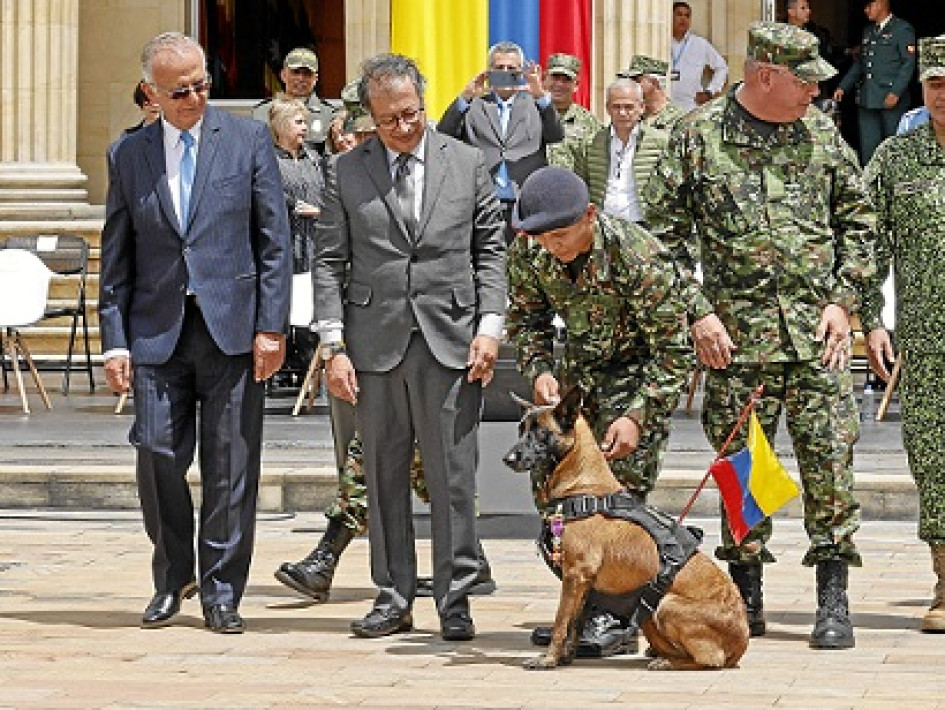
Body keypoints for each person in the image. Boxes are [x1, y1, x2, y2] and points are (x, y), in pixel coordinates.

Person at [644, 21, 876, 651]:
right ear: (766, 75)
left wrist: (842, 300)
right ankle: (746, 594)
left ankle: (834, 598)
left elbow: (860, 223)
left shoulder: (823, 133)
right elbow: (659, 240)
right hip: (736, 343)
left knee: (831, 466)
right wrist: (697, 311)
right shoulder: (697, 137)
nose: (815, 92)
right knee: (744, 471)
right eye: (805, 80)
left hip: (815, 340)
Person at [274, 83, 497, 603]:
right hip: (375, 342)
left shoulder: (464, 161)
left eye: (411, 114)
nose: (403, 127)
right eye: (388, 120)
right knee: (381, 473)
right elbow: (329, 261)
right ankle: (393, 594)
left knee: (452, 476)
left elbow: (489, 249)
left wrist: (489, 326)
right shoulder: (346, 171)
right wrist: (332, 343)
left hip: (450, 339)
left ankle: (457, 593)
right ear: (369, 120)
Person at [99, 32, 291, 634]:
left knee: (232, 465)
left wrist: (272, 326)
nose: (193, 97)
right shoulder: (127, 155)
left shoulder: (246, 138)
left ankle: (223, 590)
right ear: (151, 92)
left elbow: (274, 241)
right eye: (179, 90)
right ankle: (173, 574)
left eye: (202, 84)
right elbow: (116, 254)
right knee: (155, 453)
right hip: (157, 331)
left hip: (232, 329)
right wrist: (114, 339)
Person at [506, 166, 692, 658]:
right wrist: (541, 369)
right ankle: (580, 610)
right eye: (542, 237)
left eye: (561, 235)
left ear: (589, 216)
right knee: (558, 503)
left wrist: (638, 415)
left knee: (617, 501)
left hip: (637, 376)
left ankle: (619, 616)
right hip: (575, 380)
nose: (552, 246)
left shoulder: (636, 254)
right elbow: (525, 320)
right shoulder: (530, 249)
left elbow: (674, 349)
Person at [862, 35, 945, 634]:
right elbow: (866, 246)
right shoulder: (897, 159)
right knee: (934, 461)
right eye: (935, 83)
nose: (942, 94)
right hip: (927, 342)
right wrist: (871, 319)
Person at [438, 41, 564, 239]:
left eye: (511, 68)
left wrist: (540, 96)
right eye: (499, 68)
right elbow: (444, 134)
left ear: (521, 72)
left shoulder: (536, 105)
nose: (505, 72)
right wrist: (465, 97)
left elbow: (556, 135)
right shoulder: (475, 105)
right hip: (484, 201)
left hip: (523, 203)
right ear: (489, 72)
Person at [268, 95, 324, 378]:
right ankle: (285, 358)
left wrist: (319, 210)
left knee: (309, 300)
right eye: (298, 121)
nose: (304, 127)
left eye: (305, 121)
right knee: (286, 299)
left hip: (313, 240)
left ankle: (307, 358)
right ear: (281, 125)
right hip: (285, 241)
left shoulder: (314, 158)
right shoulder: (268, 159)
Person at [560, 78, 669, 224]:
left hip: (646, 229)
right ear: (608, 108)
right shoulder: (590, 143)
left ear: (641, 107)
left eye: (629, 107)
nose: (622, 113)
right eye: (616, 107)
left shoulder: (661, 143)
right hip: (603, 227)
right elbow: (580, 186)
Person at [834, 0, 916, 165]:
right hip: (868, 98)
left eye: (868, 6)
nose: (865, 11)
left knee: (894, 148)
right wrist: (843, 86)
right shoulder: (868, 31)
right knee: (868, 149)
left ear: (880, 4)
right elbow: (861, 64)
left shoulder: (902, 29)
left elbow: (908, 64)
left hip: (891, 100)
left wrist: (896, 92)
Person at [252, 47, 340, 156]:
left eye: (307, 73)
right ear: (283, 75)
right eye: (295, 72)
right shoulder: (263, 111)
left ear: (315, 79)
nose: (301, 78)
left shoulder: (329, 114)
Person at [543, 52, 601, 167]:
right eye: (555, 78)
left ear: (576, 85)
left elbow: (596, 163)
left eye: (566, 80)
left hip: (573, 183)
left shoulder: (590, 122)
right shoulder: (530, 116)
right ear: (545, 80)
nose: (559, 84)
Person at [670, 1, 729, 112]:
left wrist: (710, 92)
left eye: (687, 16)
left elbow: (722, 67)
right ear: (671, 17)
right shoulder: (660, 42)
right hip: (666, 106)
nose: (683, 19)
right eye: (679, 14)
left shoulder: (699, 44)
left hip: (691, 107)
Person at [619, 55, 686, 130]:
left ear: (654, 82)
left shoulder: (680, 119)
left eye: (636, 80)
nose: (631, 85)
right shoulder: (631, 116)